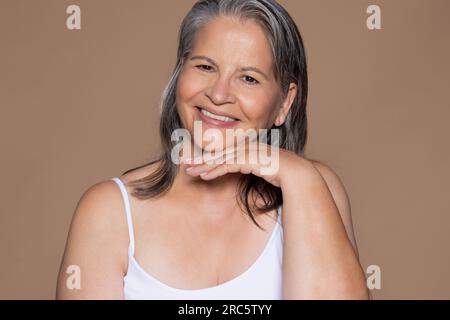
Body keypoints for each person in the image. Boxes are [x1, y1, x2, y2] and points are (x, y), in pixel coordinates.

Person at [56, 0, 369, 299]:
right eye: (205, 67)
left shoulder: (313, 186)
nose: (219, 95)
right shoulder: (108, 211)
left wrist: (297, 175)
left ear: (285, 102)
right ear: (180, 73)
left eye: (248, 78)